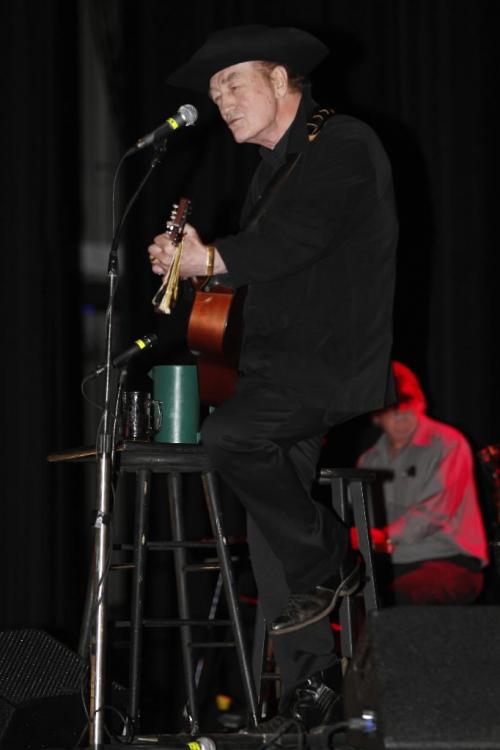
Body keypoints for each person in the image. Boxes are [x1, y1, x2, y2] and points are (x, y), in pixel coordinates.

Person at [148, 25, 398, 731]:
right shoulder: (275, 167)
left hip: (324, 363)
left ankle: (331, 557)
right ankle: (310, 691)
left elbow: (292, 244)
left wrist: (213, 261)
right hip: (276, 365)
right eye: (215, 90)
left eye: (233, 84)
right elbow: (266, 267)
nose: (220, 100)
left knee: (229, 439)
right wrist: (195, 263)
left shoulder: (342, 143)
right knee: (268, 529)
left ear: (282, 80)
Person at [357, 361, 488, 605]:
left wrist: (380, 537)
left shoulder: (448, 443)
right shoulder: (368, 460)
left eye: (410, 404)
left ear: (421, 403)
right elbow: (366, 521)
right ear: (376, 415)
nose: (403, 415)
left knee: (397, 601)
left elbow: (434, 514)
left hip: (450, 561)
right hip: (394, 563)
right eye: (394, 408)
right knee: (351, 603)